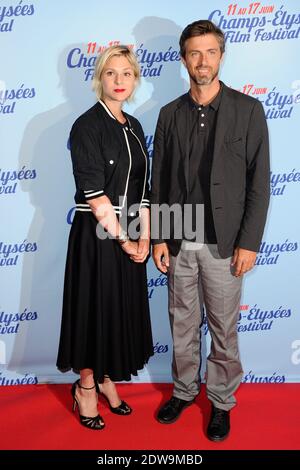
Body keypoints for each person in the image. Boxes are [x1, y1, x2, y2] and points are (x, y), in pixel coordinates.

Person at [151, 20, 270, 441]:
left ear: (221, 55)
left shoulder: (248, 110)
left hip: (225, 244)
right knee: (182, 322)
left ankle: (221, 402)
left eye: (210, 52)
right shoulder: (169, 114)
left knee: (223, 327)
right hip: (180, 239)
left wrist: (248, 243)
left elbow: (260, 182)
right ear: (183, 59)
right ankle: (184, 391)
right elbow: (160, 180)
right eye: (193, 53)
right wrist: (160, 237)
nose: (202, 61)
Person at [57, 45, 153, 430]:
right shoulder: (86, 125)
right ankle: (85, 388)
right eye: (111, 73)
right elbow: (95, 196)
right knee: (92, 311)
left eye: (126, 74)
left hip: (129, 233)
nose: (119, 81)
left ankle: (107, 379)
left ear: (135, 79)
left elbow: (143, 190)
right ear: (100, 77)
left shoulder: (134, 125)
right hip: (97, 239)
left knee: (116, 313)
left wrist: (145, 236)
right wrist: (127, 242)